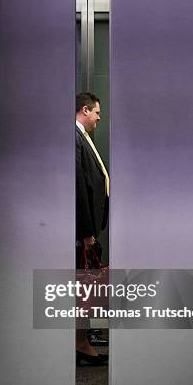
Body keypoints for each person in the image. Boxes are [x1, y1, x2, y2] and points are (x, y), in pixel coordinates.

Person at [75, 92, 109, 365]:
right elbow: (78, 187)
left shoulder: (80, 138)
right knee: (81, 288)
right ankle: (80, 343)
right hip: (80, 232)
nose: (99, 117)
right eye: (97, 111)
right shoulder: (74, 138)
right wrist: (86, 231)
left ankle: (81, 340)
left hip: (85, 230)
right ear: (85, 110)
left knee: (82, 287)